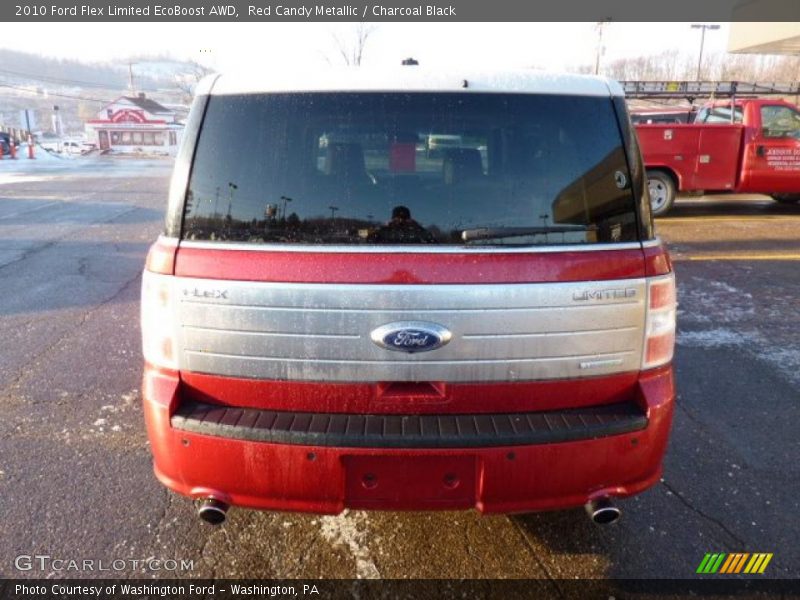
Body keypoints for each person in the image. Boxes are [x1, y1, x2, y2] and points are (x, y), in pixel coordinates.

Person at [369, 205, 436, 244]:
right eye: (397, 219)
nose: (401, 221)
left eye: (404, 219)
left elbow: (434, 243)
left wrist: (417, 227)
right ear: (393, 220)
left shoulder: (416, 232)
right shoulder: (386, 231)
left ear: (409, 220)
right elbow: (369, 241)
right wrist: (383, 227)